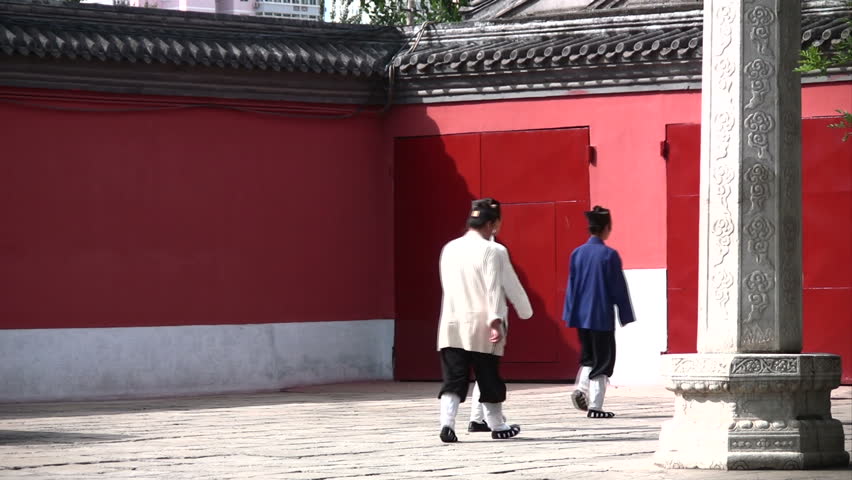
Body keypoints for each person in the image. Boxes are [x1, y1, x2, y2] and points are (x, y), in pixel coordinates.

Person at [436, 198, 532, 443]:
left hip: (452, 322)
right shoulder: (493, 250)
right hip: (482, 325)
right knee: (488, 377)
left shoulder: (450, 248)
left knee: (454, 378)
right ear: (492, 223)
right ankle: (497, 425)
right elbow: (496, 288)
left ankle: (447, 424)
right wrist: (500, 318)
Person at [563, 205, 635, 419]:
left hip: (581, 316)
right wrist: (625, 314)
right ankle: (595, 406)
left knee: (588, 357)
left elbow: (571, 286)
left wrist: (569, 314)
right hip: (601, 316)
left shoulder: (577, 253)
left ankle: (581, 388)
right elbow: (618, 287)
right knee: (604, 361)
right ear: (606, 228)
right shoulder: (609, 255)